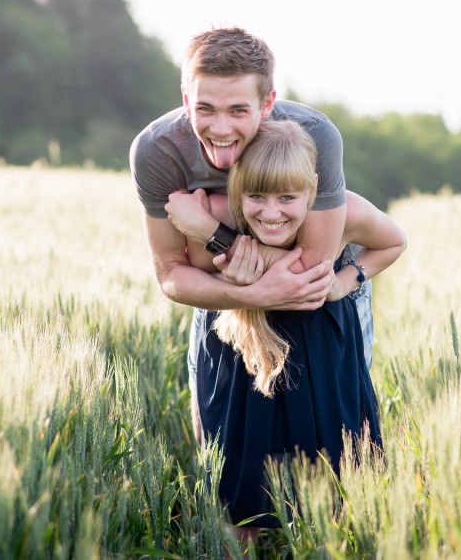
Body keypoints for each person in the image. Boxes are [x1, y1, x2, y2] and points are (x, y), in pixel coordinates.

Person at [128, 27, 376, 433]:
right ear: (186, 101)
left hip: (320, 306)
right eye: (205, 109)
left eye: (238, 111)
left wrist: (209, 230)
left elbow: (312, 270)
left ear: (267, 104)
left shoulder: (314, 136)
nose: (221, 129)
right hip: (224, 304)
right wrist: (248, 294)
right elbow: (172, 276)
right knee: (223, 445)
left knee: (342, 445)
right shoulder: (158, 151)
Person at [186, 120, 407, 538]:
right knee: (237, 479)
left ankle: (330, 542)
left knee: (336, 464)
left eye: (287, 197)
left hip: (320, 334)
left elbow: (394, 241)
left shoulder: (346, 212)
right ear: (238, 190)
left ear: (314, 190)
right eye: (256, 196)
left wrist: (342, 283)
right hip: (240, 341)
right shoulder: (216, 217)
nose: (271, 213)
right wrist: (233, 271)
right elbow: (191, 273)